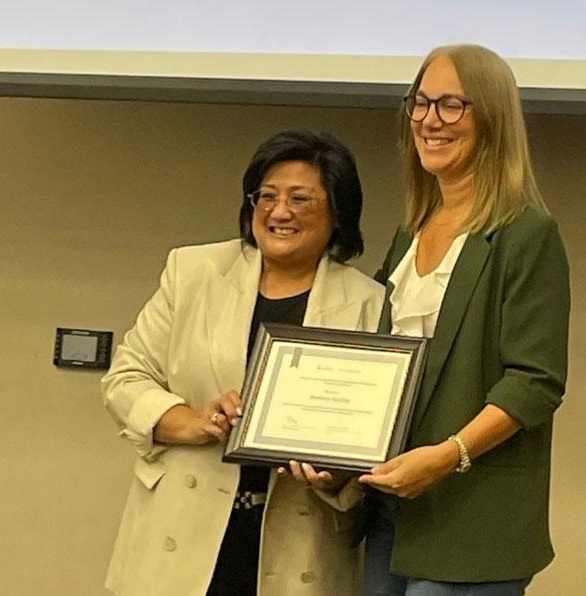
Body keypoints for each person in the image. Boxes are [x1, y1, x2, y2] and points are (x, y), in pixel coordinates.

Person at [102, 130, 383, 596]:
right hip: (182, 535)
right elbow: (126, 380)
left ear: (338, 212)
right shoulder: (193, 272)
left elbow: (369, 434)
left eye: (300, 199)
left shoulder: (369, 304)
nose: (279, 212)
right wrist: (193, 421)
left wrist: (336, 472)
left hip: (297, 542)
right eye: (266, 196)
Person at [358, 45, 571, 595]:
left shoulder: (527, 233)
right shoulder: (412, 230)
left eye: (452, 105)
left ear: (493, 119)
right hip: (391, 510)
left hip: (473, 519)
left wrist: (448, 457)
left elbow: (535, 382)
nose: (431, 120)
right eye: (421, 103)